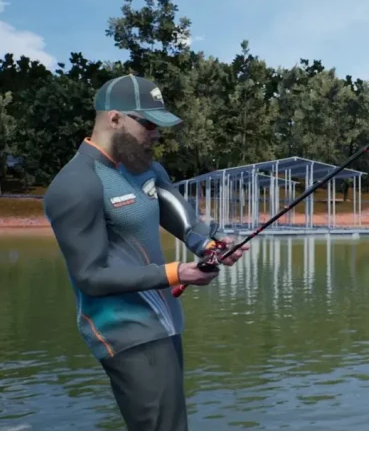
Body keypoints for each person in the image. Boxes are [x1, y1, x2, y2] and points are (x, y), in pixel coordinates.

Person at [43, 75, 248, 431]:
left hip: (163, 323)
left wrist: (213, 246)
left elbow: (187, 224)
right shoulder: (76, 183)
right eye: (149, 124)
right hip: (125, 333)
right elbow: (90, 277)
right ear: (114, 118)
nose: (157, 135)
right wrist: (176, 273)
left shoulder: (147, 170)